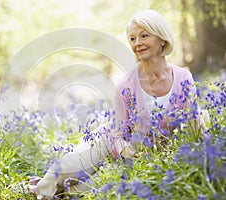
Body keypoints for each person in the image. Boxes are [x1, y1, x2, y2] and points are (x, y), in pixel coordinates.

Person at [31, 9, 203, 199]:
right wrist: (128, 153)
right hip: (112, 142)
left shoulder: (182, 78)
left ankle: (60, 191)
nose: (137, 43)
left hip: (143, 156)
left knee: (82, 191)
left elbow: (193, 121)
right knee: (65, 167)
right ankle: (40, 191)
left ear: (162, 39)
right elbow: (117, 133)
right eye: (132, 38)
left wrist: (204, 150)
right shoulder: (126, 84)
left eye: (144, 36)